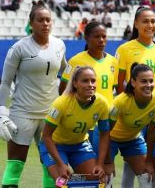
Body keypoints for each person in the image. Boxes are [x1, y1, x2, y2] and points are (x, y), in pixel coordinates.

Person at [0, 3, 66, 188]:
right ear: (31, 23)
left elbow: (67, 72)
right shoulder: (19, 48)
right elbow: (5, 83)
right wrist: (1, 112)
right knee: (15, 165)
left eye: (48, 20)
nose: (45, 24)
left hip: (50, 114)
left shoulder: (59, 45)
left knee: (51, 167)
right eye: (40, 20)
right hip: (22, 113)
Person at [58, 21, 117, 186]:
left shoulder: (113, 61)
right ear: (87, 38)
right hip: (84, 123)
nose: (101, 40)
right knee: (87, 173)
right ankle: (67, 183)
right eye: (97, 37)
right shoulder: (76, 61)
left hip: (104, 123)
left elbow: (115, 90)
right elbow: (63, 90)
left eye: (104, 37)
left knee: (102, 169)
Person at [115, 6, 155, 187]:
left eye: (153, 21)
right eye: (145, 21)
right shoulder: (125, 49)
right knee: (133, 160)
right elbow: (119, 83)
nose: (150, 25)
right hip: (134, 114)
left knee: (149, 163)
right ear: (136, 24)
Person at [40, 66, 110, 185]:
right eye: (85, 81)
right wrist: (60, 164)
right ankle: (67, 178)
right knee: (62, 182)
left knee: (96, 179)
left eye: (93, 81)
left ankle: (73, 179)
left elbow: (104, 134)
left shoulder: (102, 103)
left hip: (79, 146)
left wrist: (100, 164)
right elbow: (46, 136)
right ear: (75, 83)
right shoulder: (62, 103)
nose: (90, 84)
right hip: (55, 146)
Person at [109, 63, 155, 188]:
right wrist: (107, 161)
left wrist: (149, 160)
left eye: (151, 81)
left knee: (148, 176)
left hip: (133, 140)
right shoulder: (120, 102)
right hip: (110, 139)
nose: (148, 85)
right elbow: (105, 132)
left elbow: (152, 132)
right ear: (133, 82)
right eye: (144, 81)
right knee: (105, 177)